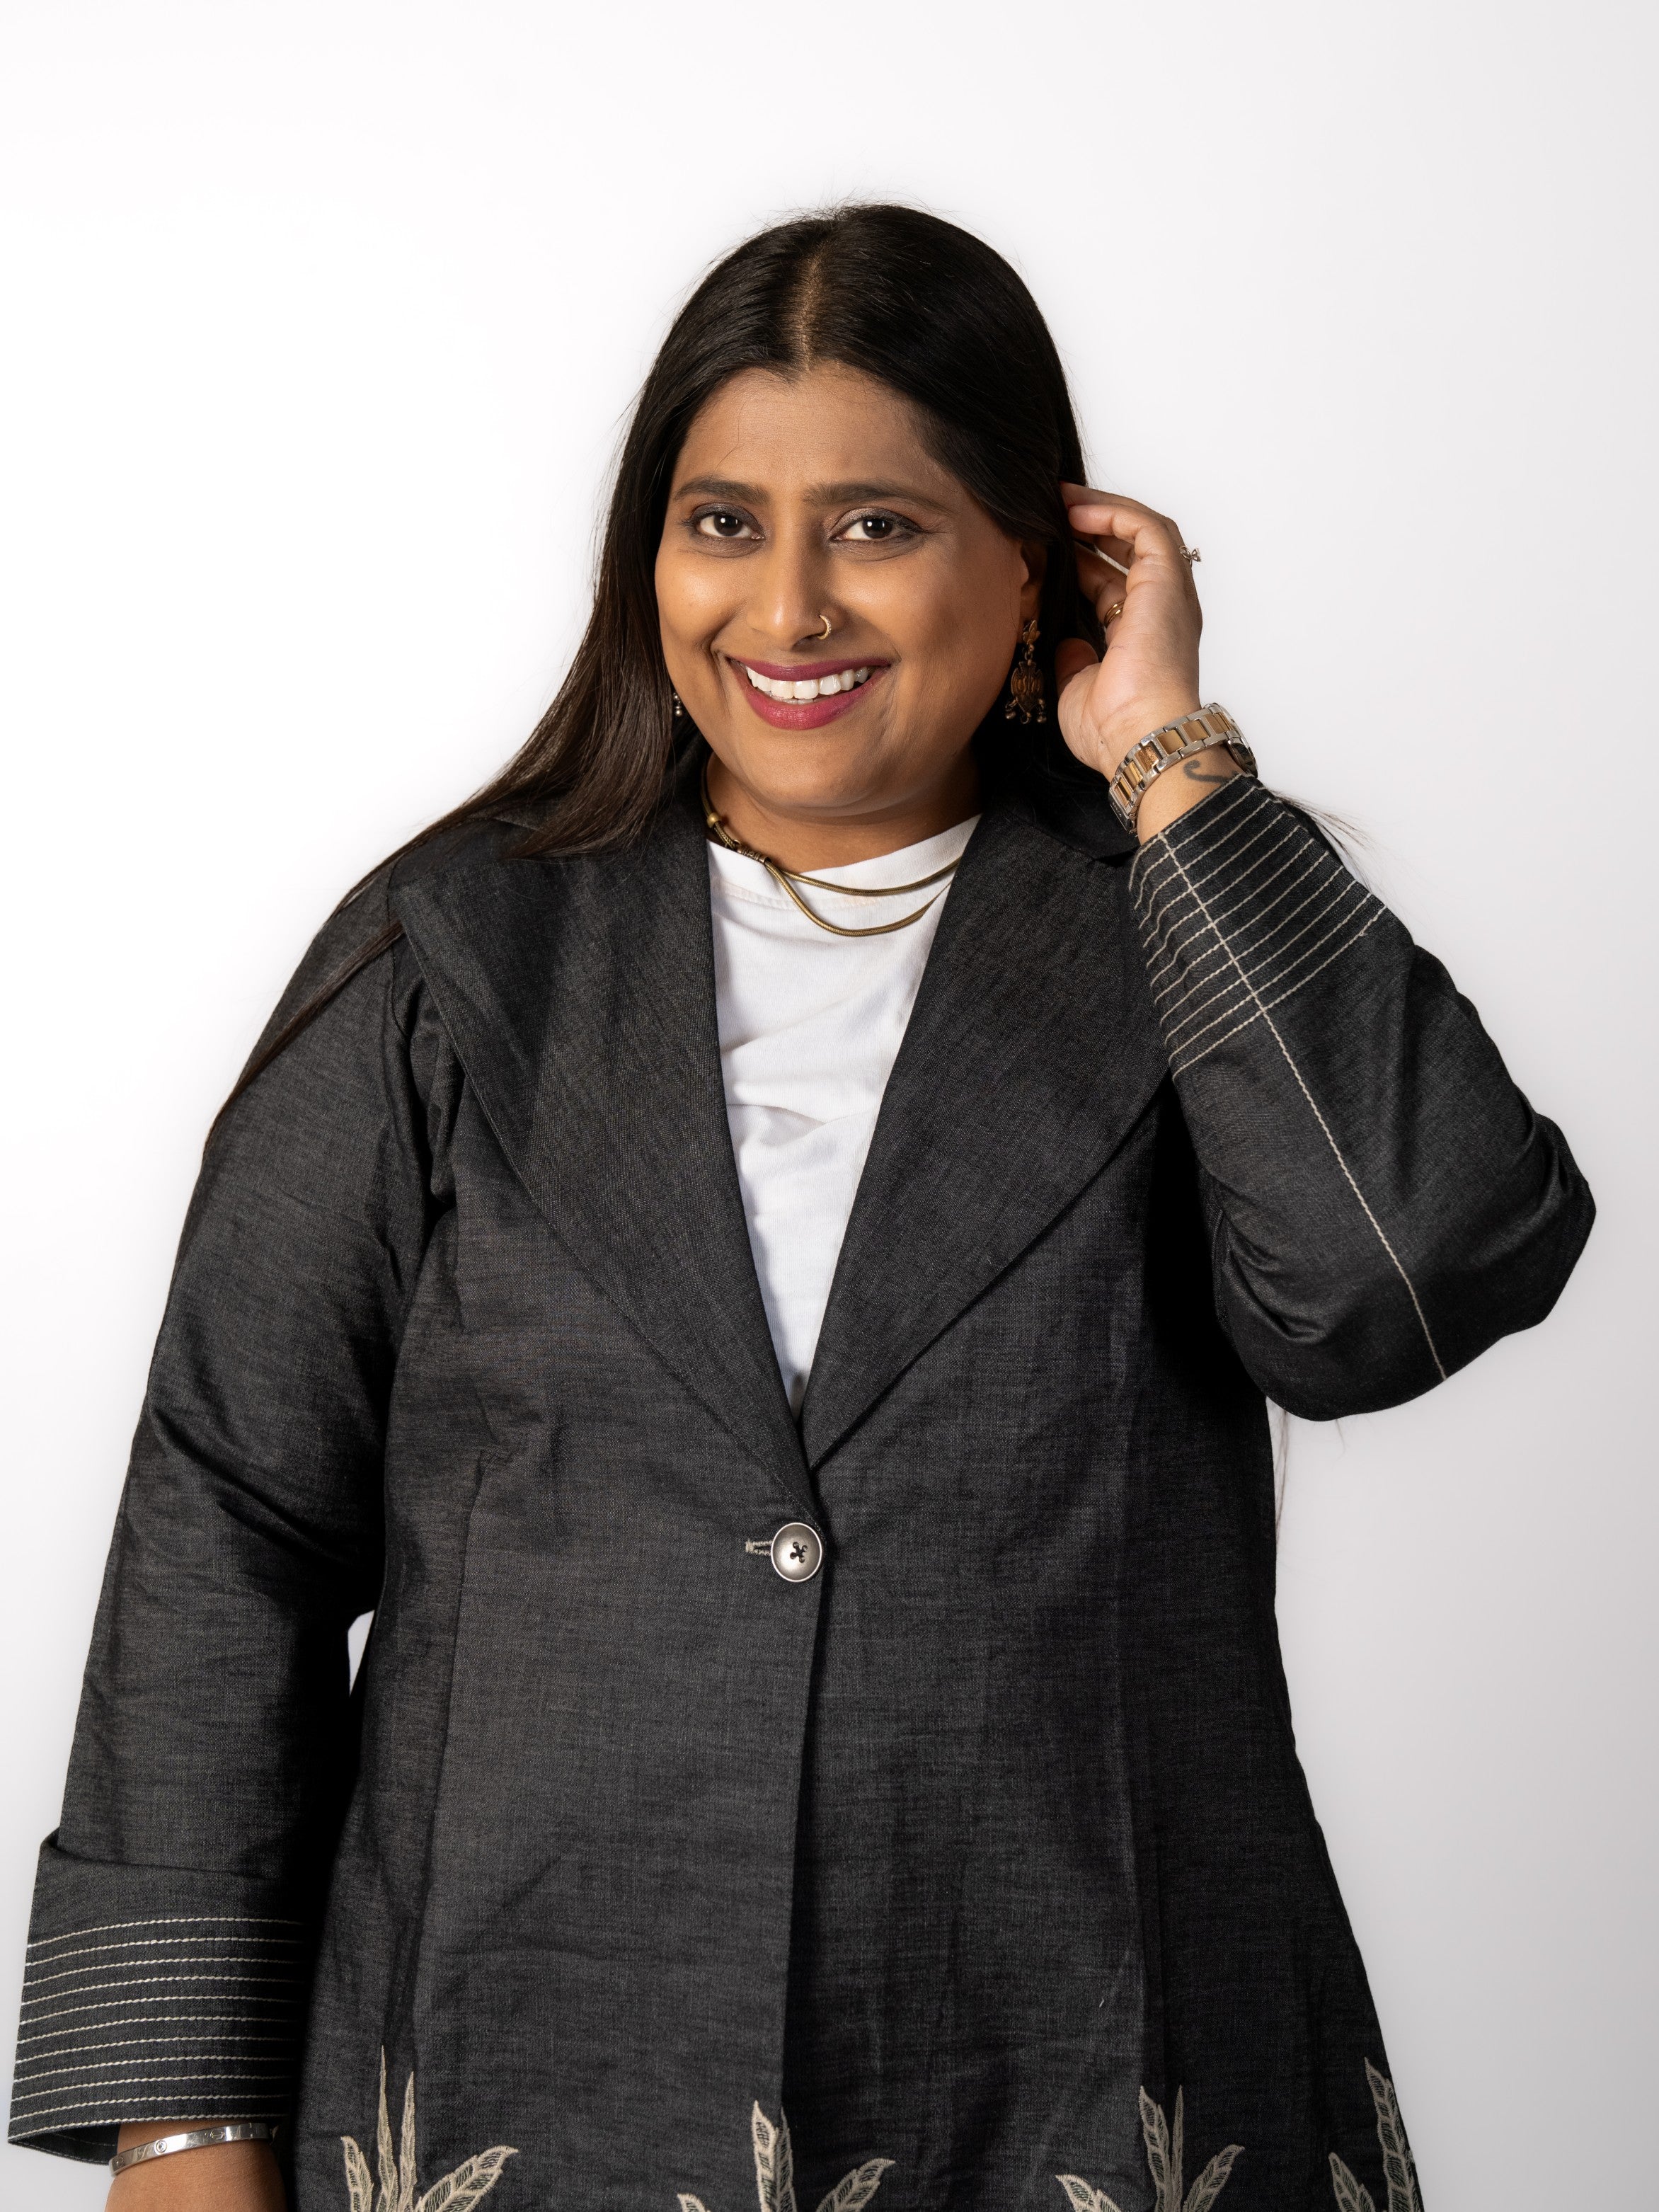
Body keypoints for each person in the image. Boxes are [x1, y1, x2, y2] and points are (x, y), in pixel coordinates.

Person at [11, 204, 1591, 2212]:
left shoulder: (1174, 941)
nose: (787, 604)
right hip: (514, 2079)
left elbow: (1399, 1279)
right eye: (722, 525)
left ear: (1040, 564)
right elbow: (224, 1522)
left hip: (1089, 2074)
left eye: (877, 526)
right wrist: (181, 2122)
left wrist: (1171, 763)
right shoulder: (456, 958)